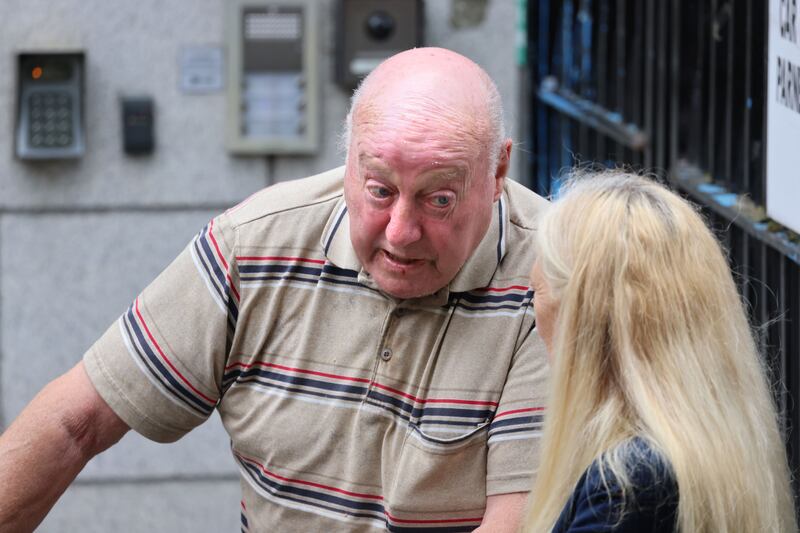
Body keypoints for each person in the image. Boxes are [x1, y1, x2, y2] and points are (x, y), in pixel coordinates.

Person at [0, 48, 550, 532]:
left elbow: (518, 522)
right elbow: (75, 423)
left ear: (497, 170)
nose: (401, 232)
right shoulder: (256, 243)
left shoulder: (557, 273)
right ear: (349, 157)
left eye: (440, 200)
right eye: (380, 189)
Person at [522, 172, 797, 532]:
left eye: (536, 293)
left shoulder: (628, 482)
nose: (532, 313)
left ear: (581, 315)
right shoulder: (704, 435)